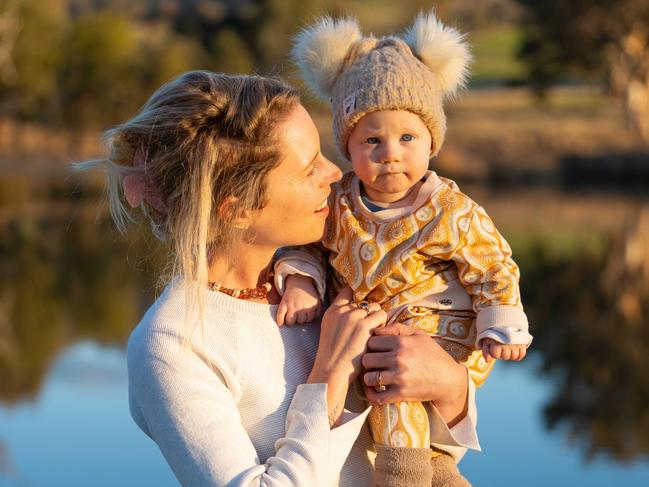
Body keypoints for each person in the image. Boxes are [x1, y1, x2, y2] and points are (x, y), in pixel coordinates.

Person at [76, 70, 480, 486]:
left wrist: (451, 389)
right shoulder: (171, 344)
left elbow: (415, 448)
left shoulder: (337, 274)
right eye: (309, 169)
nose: (335, 174)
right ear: (238, 210)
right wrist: (328, 375)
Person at [274, 12, 533, 486]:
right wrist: (300, 279)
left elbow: (493, 264)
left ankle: (401, 479)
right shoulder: (338, 206)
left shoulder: (448, 209)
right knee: (394, 411)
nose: (390, 152)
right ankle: (438, 475)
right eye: (371, 139)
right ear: (347, 147)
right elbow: (308, 246)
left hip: (441, 335)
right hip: (369, 338)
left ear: (432, 143)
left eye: (407, 138)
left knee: (397, 405)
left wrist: (502, 322)